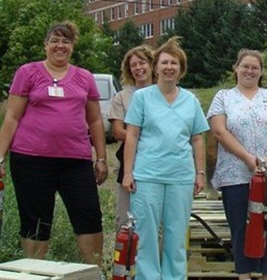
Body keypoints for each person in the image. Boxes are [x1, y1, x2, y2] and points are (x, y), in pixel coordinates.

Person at [0, 21, 107, 266]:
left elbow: (95, 120)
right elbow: (12, 117)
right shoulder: (27, 73)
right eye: (55, 41)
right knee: (36, 221)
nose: (60, 46)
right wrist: (0, 156)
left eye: (66, 41)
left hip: (76, 161)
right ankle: (35, 271)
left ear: (72, 47)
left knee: (89, 216)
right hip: (31, 160)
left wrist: (101, 158)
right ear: (45, 45)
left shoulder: (84, 77)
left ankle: (94, 271)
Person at [122, 36, 209, 280]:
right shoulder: (142, 98)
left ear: (181, 70)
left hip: (181, 176)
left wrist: (200, 173)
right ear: (156, 67)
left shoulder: (190, 100)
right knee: (146, 234)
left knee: (176, 234)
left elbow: (198, 139)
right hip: (147, 175)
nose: (169, 67)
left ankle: (174, 277)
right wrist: (128, 172)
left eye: (175, 63)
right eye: (165, 62)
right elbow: (132, 136)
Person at [207, 49, 267, 280]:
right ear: (235, 68)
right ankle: (244, 275)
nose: (249, 71)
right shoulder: (223, 97)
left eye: (254, 67)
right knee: (240, 227)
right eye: (245, 66)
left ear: (261, 71)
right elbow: (219, 130)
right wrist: (248, 158)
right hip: (235, 174)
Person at [108, 45, 155, 231]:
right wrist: (147, 137)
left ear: (152, 65)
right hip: (130, 162)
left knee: (154, 220)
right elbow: (118, 131)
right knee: (125, 219)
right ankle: (125, 259)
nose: (138, 68)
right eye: (133, 65)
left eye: (142, 62)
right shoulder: (122, 97)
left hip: (159, 162)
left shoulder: (165, 93)